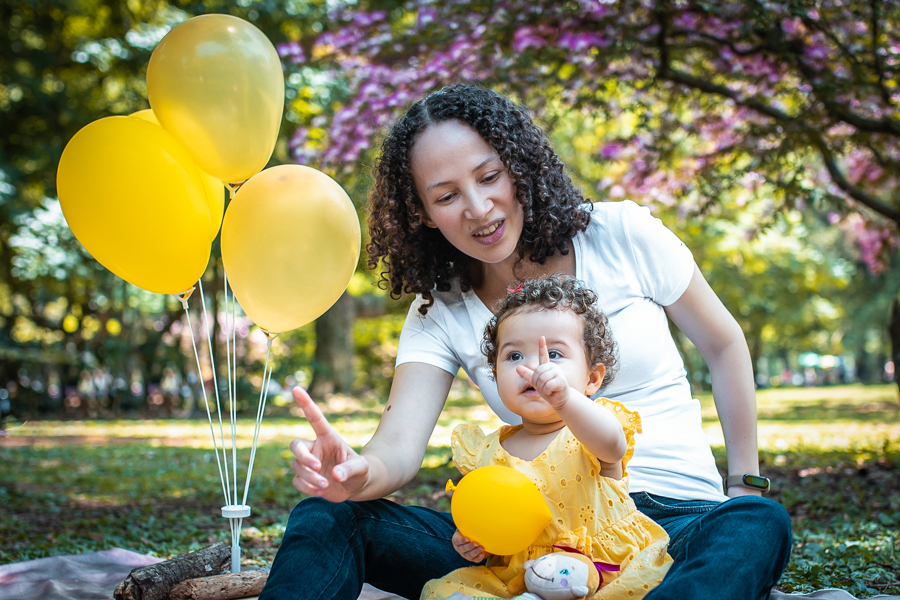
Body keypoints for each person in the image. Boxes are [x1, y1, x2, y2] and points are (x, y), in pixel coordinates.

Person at [260, 84, 792, 600]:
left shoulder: (622, 233)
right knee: (329, 515)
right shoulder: (437, 310)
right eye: (446, 196)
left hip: (676, 521)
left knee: (756, 524)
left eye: (489, 176)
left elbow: (724, 345)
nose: (479, 208)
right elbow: (397, 448)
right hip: (527, 546)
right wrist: (355, 474)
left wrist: (744, 481)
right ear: (420, 212)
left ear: (518, 166)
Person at [421, 274, 672, 600]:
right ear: (496, 376)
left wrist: (565, 399)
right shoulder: (487, 452)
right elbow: (494, 517)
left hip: (601, 569)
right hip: (519, 574)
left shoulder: (590, 432)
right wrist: (474, 541)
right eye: (514, 356)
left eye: (553, 354)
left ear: (592, 378)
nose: (535, 367)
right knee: (448, 593)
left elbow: (613, 445)